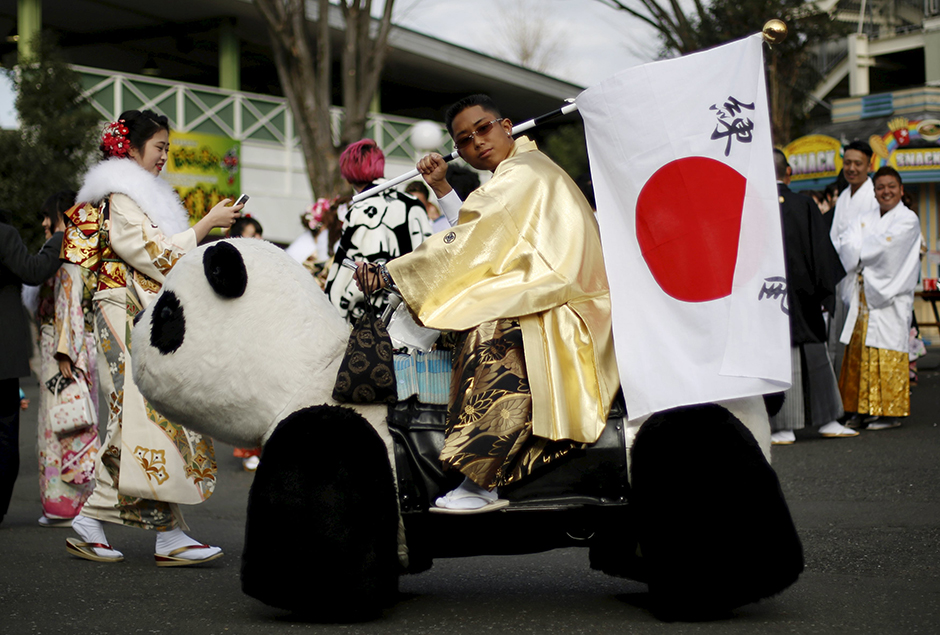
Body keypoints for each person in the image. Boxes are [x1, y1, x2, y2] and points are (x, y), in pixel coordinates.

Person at [354, 94, 619, 513]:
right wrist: (441, 187)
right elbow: (481, 239)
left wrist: (391, 274)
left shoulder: (522, 174)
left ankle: (480, 479)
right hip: (551, 293)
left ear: (507, 125)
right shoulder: (517, 173)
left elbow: (474, 241)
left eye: (483, 128)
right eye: (465, 139)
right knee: (459, 317)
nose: (478, 141)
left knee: (489, 331)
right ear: (457, 151)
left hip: (568, 305)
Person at [65, 109, 243, 564]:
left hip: (133, 311)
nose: (165, 156)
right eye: (159, 147)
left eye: (166, 147)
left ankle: (112, 524)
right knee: (142, 417)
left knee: (144, 418)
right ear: (130, 148)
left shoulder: (133, 194)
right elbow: (152, 254)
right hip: (123, 311)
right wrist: (205, 224)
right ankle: (162, 534)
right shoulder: (123, 193)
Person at [769, 151, 852, 445]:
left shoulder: (753, 204)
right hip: (805, 294)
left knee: (777, 354)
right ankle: (828, 419)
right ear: (788, 172)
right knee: (814, 351)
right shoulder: (804, 204)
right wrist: (825, 292)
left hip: (767, 296)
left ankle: (782, 425)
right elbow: (821, 252)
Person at [836, 166, 921, 430]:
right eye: (880, 187)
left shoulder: (908, 220)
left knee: (887, 351)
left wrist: (862, 249)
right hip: (863, 295)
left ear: (901, 190)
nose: (886, 192)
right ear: (874, 192)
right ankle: (859, 408)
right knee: (860, 352)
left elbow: (887, 249)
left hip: (890, 295)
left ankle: (890, 412)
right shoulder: (865, 217)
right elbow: (845, 243)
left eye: (891, 187)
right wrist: (865, 248)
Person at [35, 191, 101, 526]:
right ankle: (71, 502)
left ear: (63, 216)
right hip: (77, 345)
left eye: (49, 216)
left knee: (61, 423)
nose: (45, 223)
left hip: (65, 349)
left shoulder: (68, 256)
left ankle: (63, 504)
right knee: (75, 418)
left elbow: (69, 303)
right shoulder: (78, 253)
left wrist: (65, 350)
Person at [0, 209, 64, 526]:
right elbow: (33, 270)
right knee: (4, 433)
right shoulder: (3, 233)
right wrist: (62, 237)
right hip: (3, 357)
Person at [323, 139, 431, 323]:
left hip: (369, 319)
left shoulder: (359, 211)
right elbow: (427, 257)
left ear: (348, 174)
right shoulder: (413, 205)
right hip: (412, 316)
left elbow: (344, 271)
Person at [827, 142, 881, 384]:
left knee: (861, 342)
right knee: (839, 340)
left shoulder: (873, 196)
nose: (851, 168)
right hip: (840, 276)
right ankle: (842, 400)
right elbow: (834, 238)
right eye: (847, 163)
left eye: (857, 163)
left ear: (869, 165)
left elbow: (869, 242)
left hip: (863, 278)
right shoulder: (844, 197)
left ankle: (859, 400)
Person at [228, 215, 264, 472]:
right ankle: (249, 449)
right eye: (254, 235)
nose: (259, 240)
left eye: (260, 234)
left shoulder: (267, 260)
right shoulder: (230, 265)